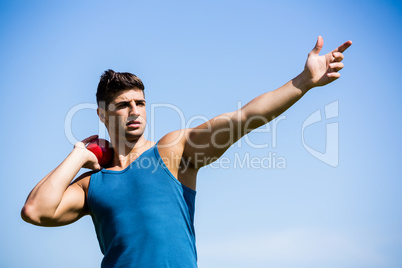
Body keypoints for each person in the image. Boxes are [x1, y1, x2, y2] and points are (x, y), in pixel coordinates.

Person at [21, 36, 352, 267]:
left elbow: (244, 119)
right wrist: (79, 153)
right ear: (102, 115)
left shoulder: (172, 151)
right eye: (123, 105)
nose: (135, 111)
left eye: (140, 103)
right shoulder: (93, 184)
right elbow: (35, 210)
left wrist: (302, 82)